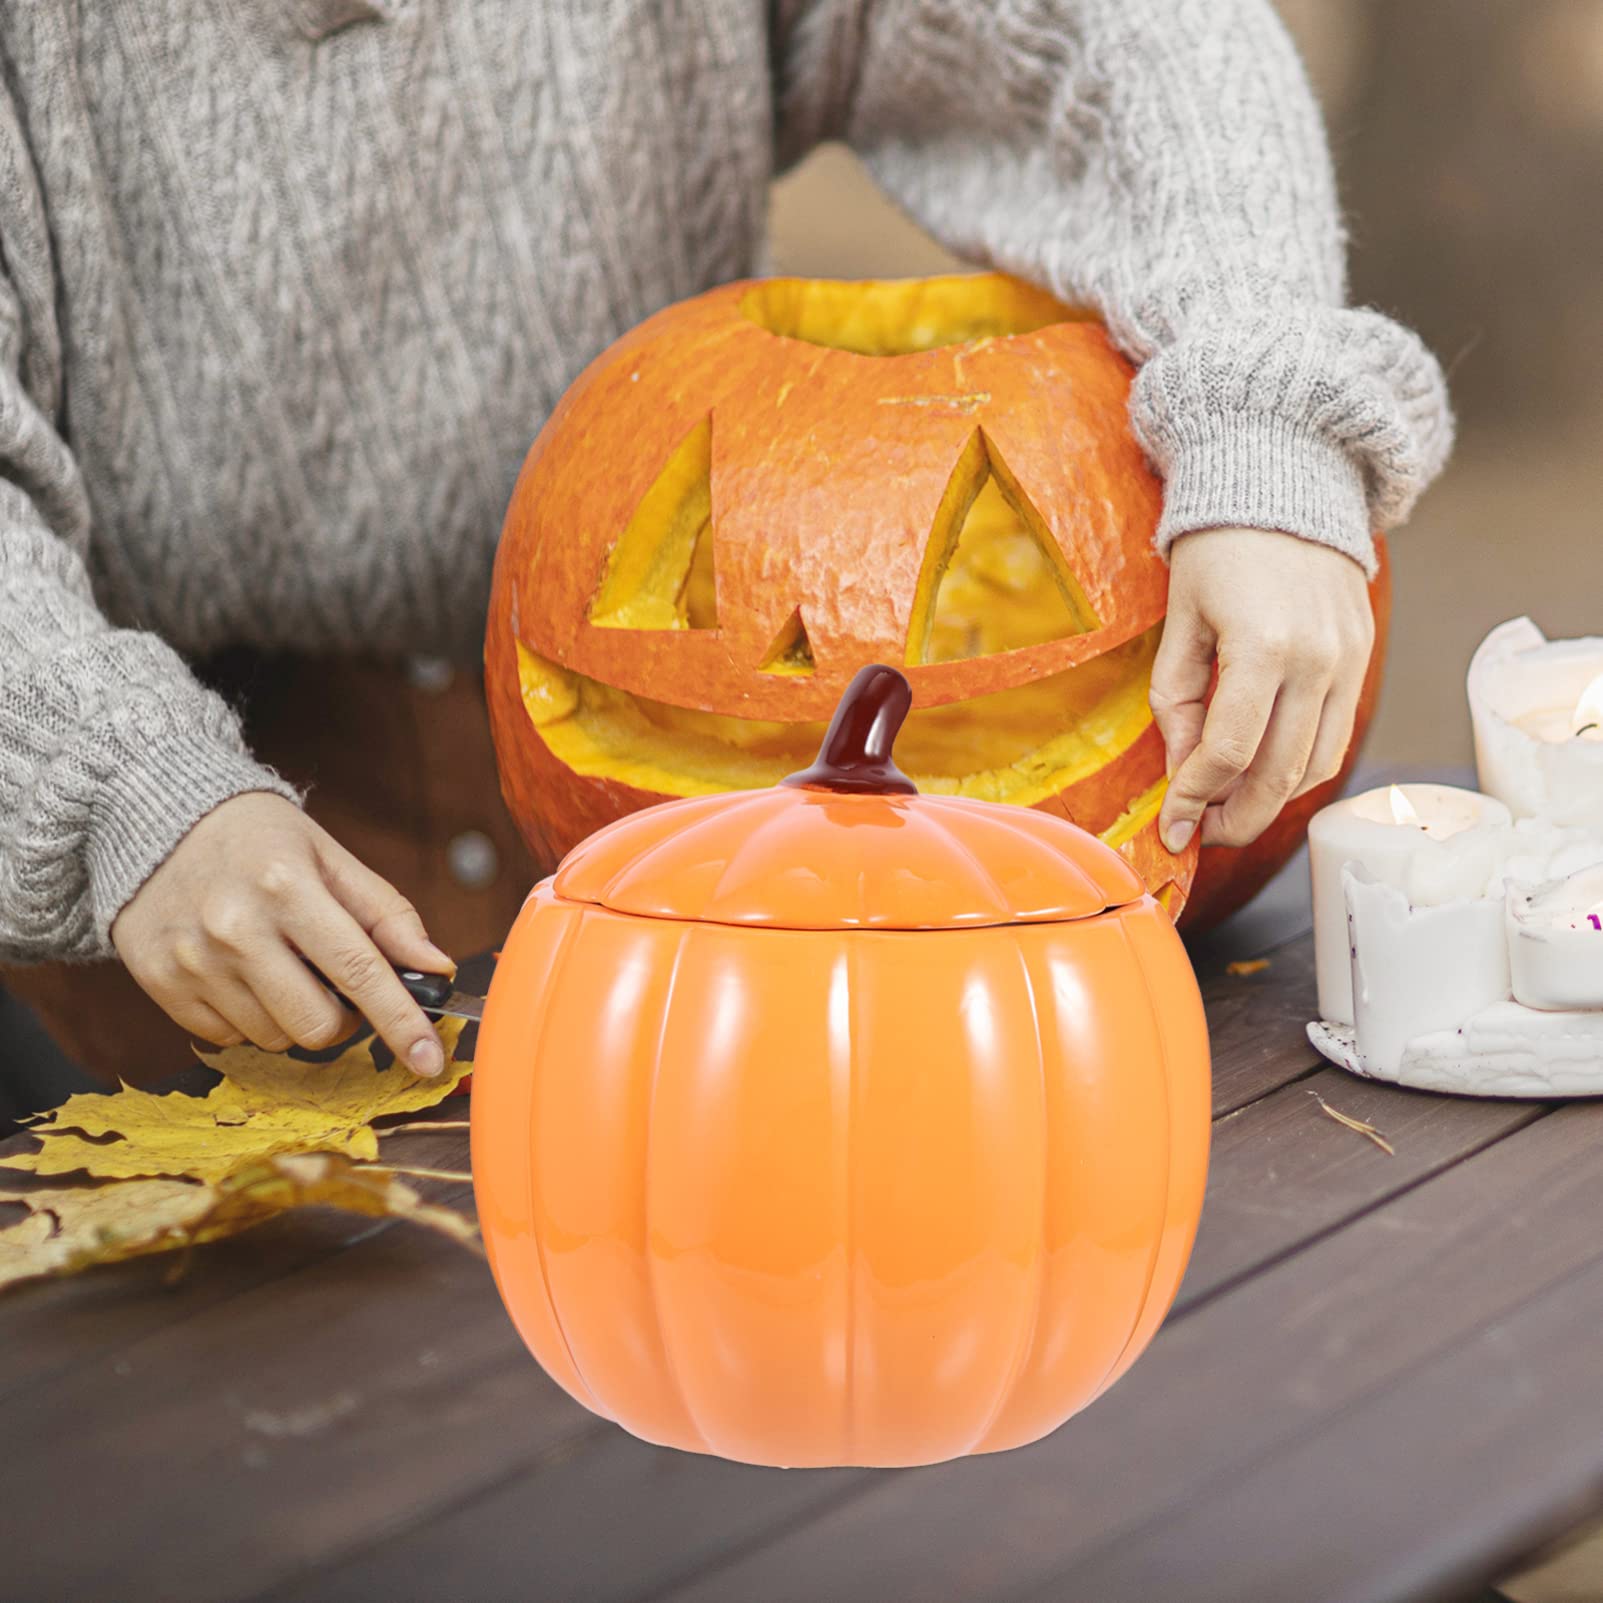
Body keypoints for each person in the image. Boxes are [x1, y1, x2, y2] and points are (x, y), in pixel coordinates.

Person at [0, 1, 1451, 1085]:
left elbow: (1115, 29)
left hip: (639, 833)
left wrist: (1263, 409)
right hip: (196, 856)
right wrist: (117, 784)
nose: (828, 645)